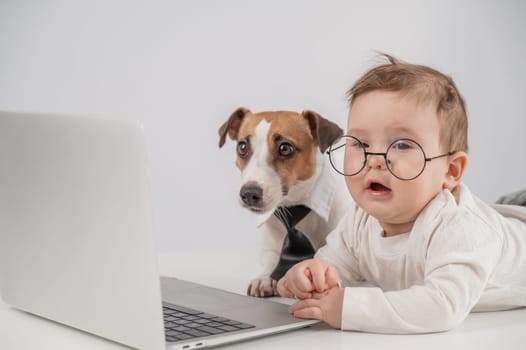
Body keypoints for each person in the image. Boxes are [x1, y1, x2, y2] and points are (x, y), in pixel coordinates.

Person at [276, 54, 526, 333]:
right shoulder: (359, 220)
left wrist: (347, 308)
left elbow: (441, 306)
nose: (375, 159)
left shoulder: (460, 228)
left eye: (403, 145)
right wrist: (310, 275)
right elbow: (334, 268)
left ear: (451, 171)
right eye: (360, 143)